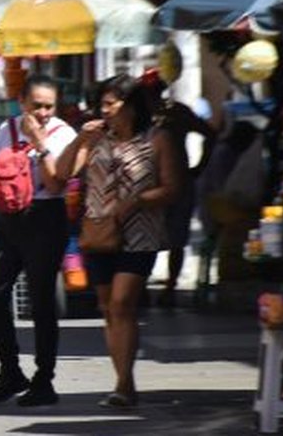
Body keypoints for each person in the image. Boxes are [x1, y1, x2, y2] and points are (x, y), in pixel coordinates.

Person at [56, 75, 178, 408]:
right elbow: (63, 174)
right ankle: (124, 380)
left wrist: (138, 201)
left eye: (111, 104)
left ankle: (124, 384)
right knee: (109, 308)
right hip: (99, 233)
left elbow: (172, 188)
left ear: (131, 105)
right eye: (102, 104)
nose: (105, 111)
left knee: (124, 303)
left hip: (141, 235)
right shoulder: (96, 140)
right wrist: (80, 139)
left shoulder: (157, 139)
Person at [0, 74, 78, 407]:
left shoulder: (64, 135)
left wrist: (40, 144)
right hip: (9, 222)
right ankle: (10, 371)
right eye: (37, 105)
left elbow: (55, 185)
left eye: (49, 106)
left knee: (41, 301)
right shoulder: (6, 130)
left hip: (45, 218)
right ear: (22, 102)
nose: (44, 112)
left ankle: (44, 379)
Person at [141, 73, 217, 307]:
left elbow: (210, 134)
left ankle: (169, 287)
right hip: (150, 184)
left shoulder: (175, 112)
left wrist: (200, 167)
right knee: (147, 237)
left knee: (174, 238)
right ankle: (146, 286)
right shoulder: (140, 116)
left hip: (178, 183)